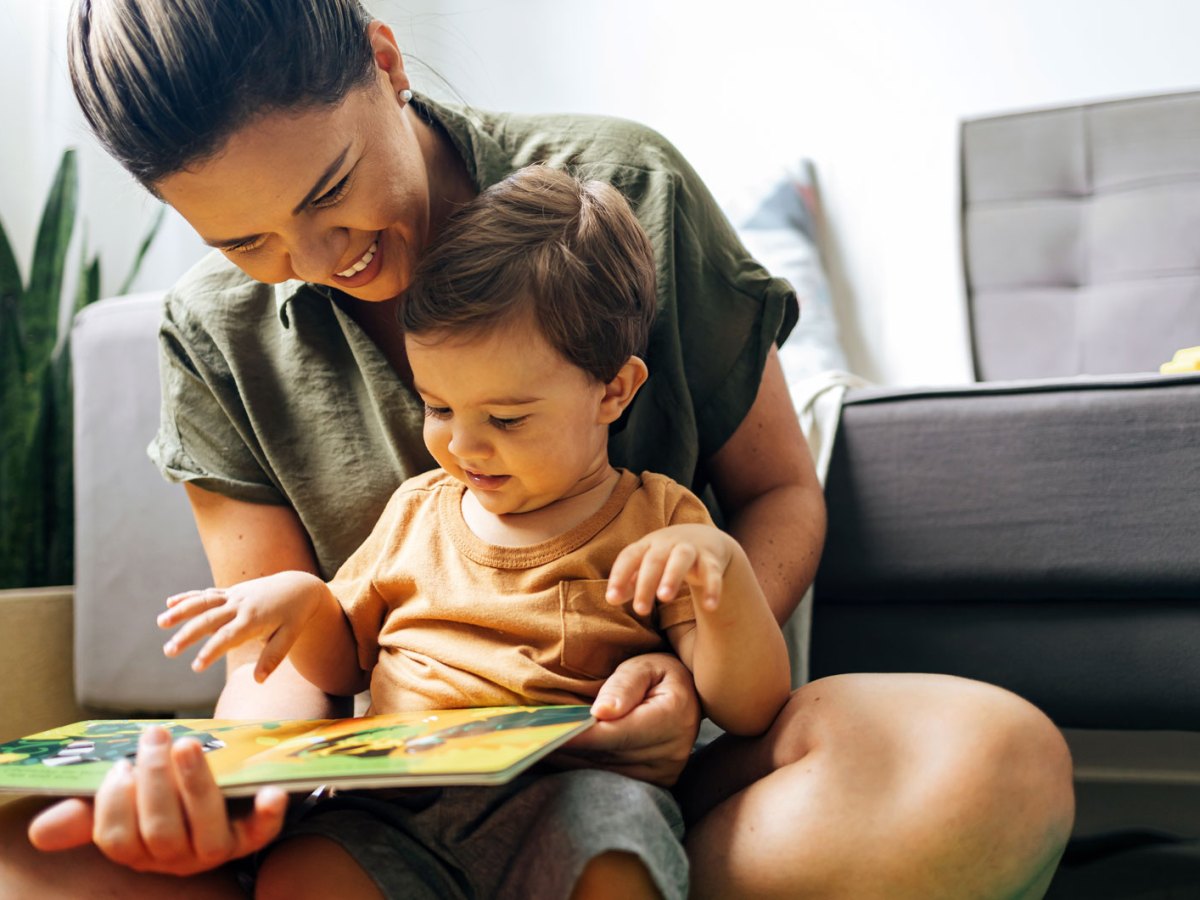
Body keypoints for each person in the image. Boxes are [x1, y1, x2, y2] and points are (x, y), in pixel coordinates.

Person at [0, 1, 1073, 897]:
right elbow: (275, 662)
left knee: (998, 766)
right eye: (243, 240)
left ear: (383, 61)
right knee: (28, 859)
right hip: (389, 798)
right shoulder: (212, 328)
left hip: (645, 765)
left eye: (329, 191)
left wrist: (690, 676)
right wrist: (233, 801)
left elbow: (780, 493)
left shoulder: (624, 187)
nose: (319, 258)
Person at [154, 164, 792, 899]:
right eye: (438, 407)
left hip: (570, 798)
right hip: (397, 808)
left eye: (507, 419)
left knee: (618, 856)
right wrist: (301, 606)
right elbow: (343, 669)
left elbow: (751, 705)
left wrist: (725, 578)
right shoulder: (417, 512)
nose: (465, 446)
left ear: (613, 391)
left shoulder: (659, 523)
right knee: (304, 870)